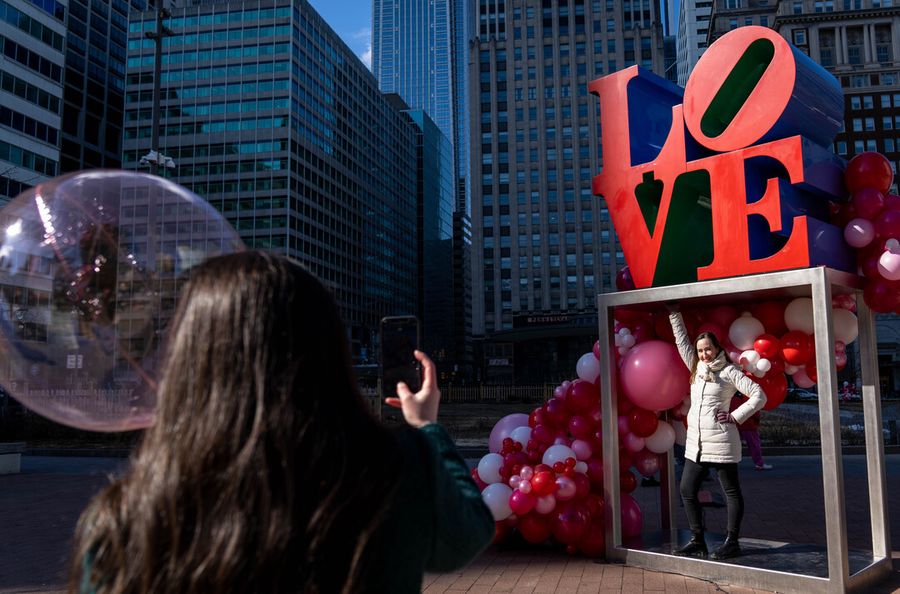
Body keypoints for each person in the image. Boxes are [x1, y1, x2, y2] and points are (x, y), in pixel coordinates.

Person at [68, 251, 494, 593]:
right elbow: (466, 538)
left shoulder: (124, 517)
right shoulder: (396, 469)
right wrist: (427, 431)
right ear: (327, 354)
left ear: (188, 360)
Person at [668, 308, 767, 561]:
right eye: (700, 350)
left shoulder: (729, 372)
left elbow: (759, 395)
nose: (704, 353)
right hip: (696, 445)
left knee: (731, 492)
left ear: (716, 348)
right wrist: (675, 315)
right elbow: (681, 341)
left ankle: (732, 542)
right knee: (686, 489)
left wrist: (735, 416)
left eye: (708, 349)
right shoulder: (697, 368)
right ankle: (697, 540)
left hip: (722, 442)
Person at [730, 395, 773, 471]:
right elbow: (755, 410)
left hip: (735, 424)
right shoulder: (748, 397)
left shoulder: (731, 397)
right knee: (754, 445)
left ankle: (729, 465)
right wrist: (757, 420)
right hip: (749, 424)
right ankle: (759, 464)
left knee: (732, 445)